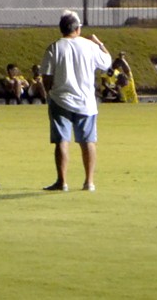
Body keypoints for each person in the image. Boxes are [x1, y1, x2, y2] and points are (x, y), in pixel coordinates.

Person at [40, 10, 111, 192]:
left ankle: (62, 181)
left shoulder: (54, 47)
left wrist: (49, 92)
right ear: (78, 28)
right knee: (88, 141)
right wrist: (99, 43)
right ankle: (89, 181)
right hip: (86, 101)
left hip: (60, 98)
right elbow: (107, 62)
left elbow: (46, 76)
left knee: (62, 140)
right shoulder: (89, 46)